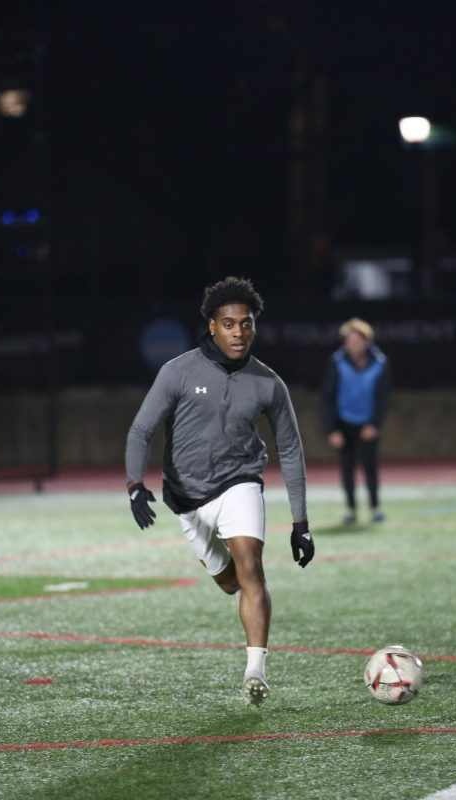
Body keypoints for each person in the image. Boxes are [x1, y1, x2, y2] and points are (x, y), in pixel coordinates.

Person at [124, 276, 313, 706]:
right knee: (229, 583)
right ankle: (227, 577)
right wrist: (135, 485)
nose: (239, 333)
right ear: (212, 326)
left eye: (246, 325)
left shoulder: (269, 383)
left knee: (251, 570)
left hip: (240, 481)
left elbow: (291, 449)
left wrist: (300, 522)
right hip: (187, 497)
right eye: (229, 324)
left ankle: (255, 671)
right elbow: (140, 430)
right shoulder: (177, 372)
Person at [321, 317, 392, 525]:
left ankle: (375, 508)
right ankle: (351, 510)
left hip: (367, 423)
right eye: (349, 340)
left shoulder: (380, 363)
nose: (353, 344)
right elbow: (328, 396)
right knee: (347, 468)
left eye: (358, 340)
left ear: (366, 341)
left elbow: (384, 397)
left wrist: (374, 424)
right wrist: (332, 429)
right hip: (344, 423)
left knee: (370, 467)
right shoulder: (336, 362)